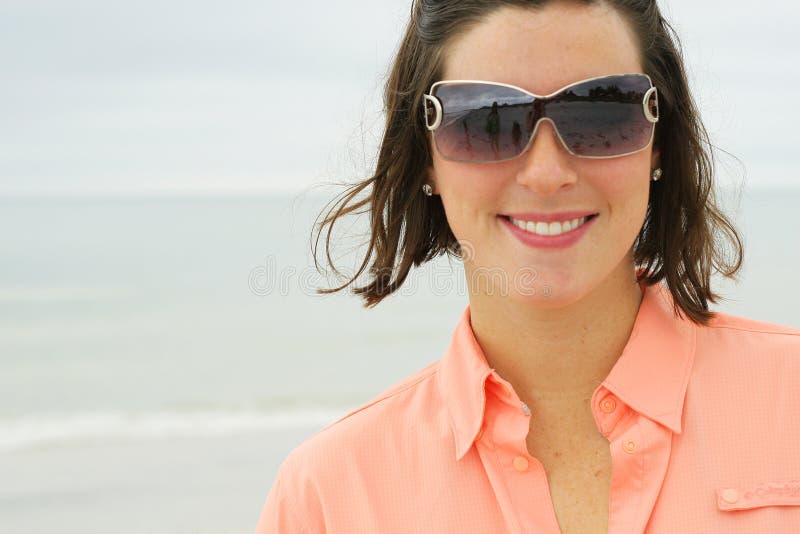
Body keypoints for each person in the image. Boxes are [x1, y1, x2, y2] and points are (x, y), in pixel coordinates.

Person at [256, 1, 800, 532]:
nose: (546, 174)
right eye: (486, 119)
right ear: (425, 154)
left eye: (600, 113)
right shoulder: (328, 496)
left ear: (657, 140)